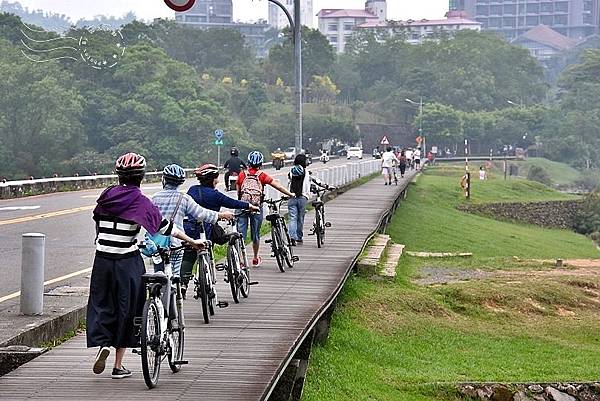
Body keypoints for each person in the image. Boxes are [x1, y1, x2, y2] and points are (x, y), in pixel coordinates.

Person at [87, 153, 205, 379]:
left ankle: (102, 342)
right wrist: (192, 241)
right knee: (127, 309)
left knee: (101, 303)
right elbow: (165, 228)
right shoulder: (140, 201)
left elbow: (97, 219)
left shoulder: (107, 195)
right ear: (141, 176)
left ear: (119, 175)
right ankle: (117, 365)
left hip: (102, 259)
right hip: (126, 261)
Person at [180, 163, 258, 292]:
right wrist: (250, 206)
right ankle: (208, 276)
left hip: (189, 228)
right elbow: (233, 203)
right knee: (207, 249)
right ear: (213, 179)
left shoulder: (192, 190)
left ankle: (183, 284)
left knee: (189, 256)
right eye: (217, 177)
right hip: (207, 229)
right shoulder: (215, 195)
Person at [151, 164, 230, 280]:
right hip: (176, 242)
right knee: (175, 276)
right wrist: (220, 215)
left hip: (157, 243)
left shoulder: (154, 198)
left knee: (158, 276)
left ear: (164, 179)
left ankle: (158, 295)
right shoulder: (184, 198)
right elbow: (201, 214)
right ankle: (176, 292)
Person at [237, 151, 294, 267]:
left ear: (248, 162)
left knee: (240, 235)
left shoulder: (242, 175)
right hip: (256, 207)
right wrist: (290, 194)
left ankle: (241, 261)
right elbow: (277, 186)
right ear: (261, 164)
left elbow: (238, 191)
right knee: (255, 234)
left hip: (242, 206)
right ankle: (255, 258)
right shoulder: (262, 175)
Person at [287, 154, 329, 245]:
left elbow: (291, 181)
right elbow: (316, 181)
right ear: (303, 161)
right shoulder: (306, 173)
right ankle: (299, 237)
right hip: (302, 198)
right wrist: (327, 186)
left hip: (292, 197)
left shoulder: (291, 172)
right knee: (300, 218)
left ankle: (292, 236)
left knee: (292, 218)